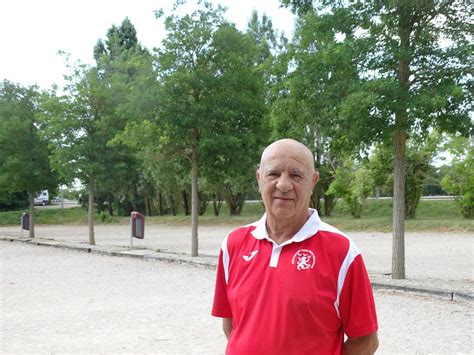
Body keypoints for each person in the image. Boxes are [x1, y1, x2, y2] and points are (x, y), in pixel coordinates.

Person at [212, 138, 379, 354]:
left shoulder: (342, 252)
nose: (283, 185)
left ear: (313, 181)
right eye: (273, 174)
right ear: (259, 178)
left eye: (296, 175)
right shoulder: (233, 244)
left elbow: (366, 341)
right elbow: (232, 326)